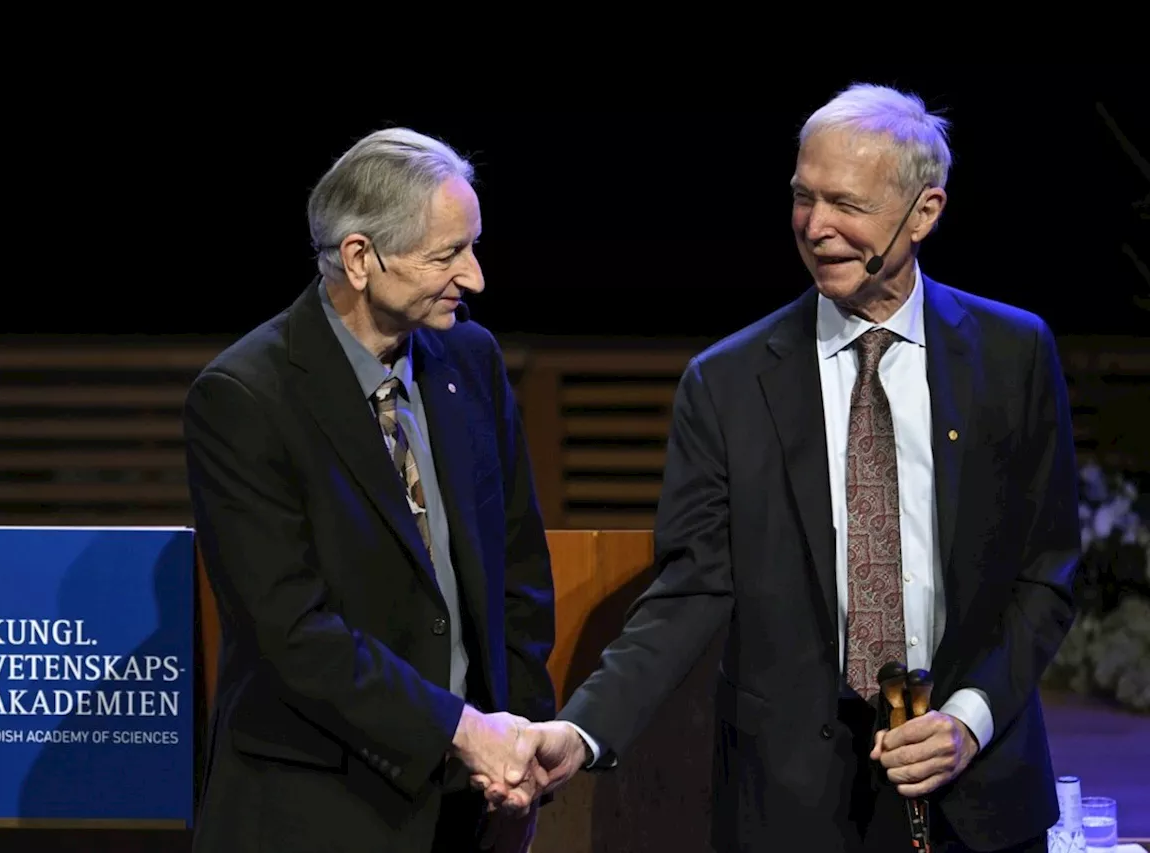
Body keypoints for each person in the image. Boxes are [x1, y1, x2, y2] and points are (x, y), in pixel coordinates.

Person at [495, 83, 1081, 852]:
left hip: (976, 787)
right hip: (793, 807)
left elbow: (1047, 572)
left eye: (847, 204)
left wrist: (969, 719)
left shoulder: (1014, 354)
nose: (816, 228)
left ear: (926, 212)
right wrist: (583, 728)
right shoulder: (727, 381)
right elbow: (689, 589)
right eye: (803, 198)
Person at [184, 127, 557, 853]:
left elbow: (518, 571)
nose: (475, 276)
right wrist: (460, 728)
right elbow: (292, 633)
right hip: (315, 810)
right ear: (360, 258)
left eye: (473, 246)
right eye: (449, 254)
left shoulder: (469, 358)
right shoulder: (244, 398)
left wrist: (517, 755)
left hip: (469, 805)